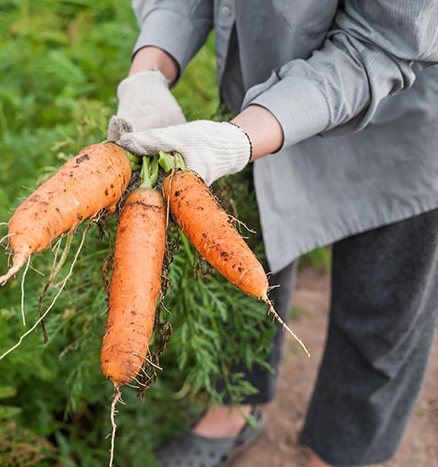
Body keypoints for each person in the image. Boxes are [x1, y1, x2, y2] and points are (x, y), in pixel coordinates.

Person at [108, 2, 438, 466]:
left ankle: (341, 452)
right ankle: (232, 406)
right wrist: (148, 72)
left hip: (400, 115)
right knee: (239, 253)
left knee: (383, 301)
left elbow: (384, 41)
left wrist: (239, 140)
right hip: (256, 98)